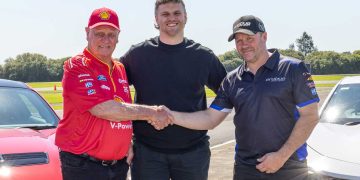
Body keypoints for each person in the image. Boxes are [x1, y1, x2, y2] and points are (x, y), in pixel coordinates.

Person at [169, 15, 320, 180]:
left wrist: (281, 156)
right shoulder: (232, 79)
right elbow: (210, 118)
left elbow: (310, 116)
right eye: (239, 40)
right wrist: (169, 115)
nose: (244, 44)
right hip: (245, 169)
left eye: (249, 38)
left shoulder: (293, 69)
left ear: (264, 36)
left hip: (289, 167)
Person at [55, 7, 172, 180]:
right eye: (99, 33)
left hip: (118, 166)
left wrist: (127, 141)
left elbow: (124, 109)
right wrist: (153, 113)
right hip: (83, 166)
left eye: (111, 34)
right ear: (87, 33)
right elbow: (104, 109)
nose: (105, 39)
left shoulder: (119, 69)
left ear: (118, 36)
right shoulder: (77, 66)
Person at [120, 0, 227, 179]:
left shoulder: (203, 56)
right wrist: (123, 140)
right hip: (147, 154)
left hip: (193, 154)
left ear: (185, 17)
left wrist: (209, 118)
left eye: (177, 13)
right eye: (165, 14)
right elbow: (115, 93)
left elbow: (228, 95)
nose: (172, 18)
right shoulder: (137, 54)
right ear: (156, 19)